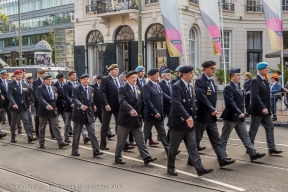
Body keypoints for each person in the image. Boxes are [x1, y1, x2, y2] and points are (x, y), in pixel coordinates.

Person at [167, 65, 213, 177]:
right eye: (191, 73)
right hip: (178, 123)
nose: (193, 75)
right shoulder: (176, 86)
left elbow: (192, 104)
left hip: (190, 123)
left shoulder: (190, 86)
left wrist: (193, 118)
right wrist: (187, 117)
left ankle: (199, 168)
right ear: (185, 74)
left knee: (193, 146)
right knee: (174, 147)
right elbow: (177, 103)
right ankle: (170, 167)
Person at [194, 61, 235, 167]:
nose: (214, 70)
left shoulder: (211, 81)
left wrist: (212, 110)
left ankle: (222, 159)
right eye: (212, 68)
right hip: (202, 115)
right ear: (205, 69)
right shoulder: (200, 81)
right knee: (197, 138)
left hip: (211, 116)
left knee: (216, 139)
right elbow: (201, 97)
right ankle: (192, 159)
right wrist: (211, 108)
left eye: (214, 68)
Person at [220, 68, 266, 161]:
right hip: (231, 117)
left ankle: (253, 153)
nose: (239, 77)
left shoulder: (238, 86)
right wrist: (238, 112)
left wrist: (243, 112)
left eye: (239, 75)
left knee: (245, 136)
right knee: (224, 137)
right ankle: (221, 155)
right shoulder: (229, 87)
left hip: (240, 117)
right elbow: (230, 102)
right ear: (232, 76)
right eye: (237, 75)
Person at [115, 71, 157, 165]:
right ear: (127, 79)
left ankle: (146, 157)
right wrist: (130, 110)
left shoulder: (137, 88)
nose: (134, 79)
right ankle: (118, 157)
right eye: (132, 78)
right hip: (126, 118)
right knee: (121, 141)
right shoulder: (122, 88)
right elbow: (122, 101)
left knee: (140, 140)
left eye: (135, 78)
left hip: (136, 118)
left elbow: (140, 102)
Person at [249, 62, 282, 155]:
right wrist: (262, 107)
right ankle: (249, 148)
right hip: (258, 110)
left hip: (266, 110)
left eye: (267, 68)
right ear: (260, 70)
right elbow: (255, 96)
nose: (267, 70)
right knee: (253, 130)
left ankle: (272, 148)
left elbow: (267, 93)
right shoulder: (255, 80)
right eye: (266, 68)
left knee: (270, 127)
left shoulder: (264, 80)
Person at [100, 64, 134, 151]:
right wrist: (106, 104)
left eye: (118, 70)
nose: (117, 71)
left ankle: (123, 144)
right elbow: (102, 92)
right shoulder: (105, 79)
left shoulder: (120, 80)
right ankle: (103, 144)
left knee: (120, 125)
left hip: (119, 106)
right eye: (115, 69)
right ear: (110, 70)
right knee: (105, 125)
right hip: (108, 105)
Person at [71, 73, 103, 157]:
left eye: (88, 79)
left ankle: (96, 150)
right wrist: (81, 106)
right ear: (81, 80)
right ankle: (74, 150)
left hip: (89, 113)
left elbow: (91, 100)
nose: (86, 81)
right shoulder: (76, 88)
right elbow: (74, 99)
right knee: (76, 133)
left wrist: (94, 106)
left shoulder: (91, 89)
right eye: (84, 79)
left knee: (92, 132)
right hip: (79, 113)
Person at [36, 74, 69, 149]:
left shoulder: (54, 88)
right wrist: (47, 105)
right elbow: (40, 98)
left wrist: (55, 108)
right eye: (48, 79)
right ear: (44, 80)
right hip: (44, 111)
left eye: (50, 79)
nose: (50, 81)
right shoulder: (40, 88)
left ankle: (60, 142)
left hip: (53, 111)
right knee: (42, 127)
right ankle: (41, 142)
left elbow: (55, 99)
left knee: (55, 126)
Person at [142, 68, 170, 155]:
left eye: (158, 74)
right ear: (150, 76)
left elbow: (162, 97)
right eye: (156, 74)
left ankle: (169, 151)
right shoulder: (147, 86)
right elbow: (147, 100)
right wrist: (154, 112)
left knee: (162, 134)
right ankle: (143, 151)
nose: (158, 76)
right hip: (150, 115)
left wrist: (171, 100)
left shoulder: (158, 85)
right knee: (145, 134)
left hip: (159, 114)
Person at [7, 70, 36, 143]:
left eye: (21, 74)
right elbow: (9, 95)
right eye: (19, 74)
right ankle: (13, 136)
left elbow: (26, 95)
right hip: (15, 106)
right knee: (13, 122)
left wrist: (28, 104)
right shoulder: (11, 84)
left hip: (23, 106)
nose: (20, 75)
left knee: (26, 121)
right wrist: (13, 103)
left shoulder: (24, 84)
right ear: (15, 75)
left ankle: (30, 136)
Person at [63, 70, 89, 144]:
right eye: (73, 75)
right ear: (69, 76)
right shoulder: (66, 85)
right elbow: (66, 95)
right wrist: (72, 102)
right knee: (68, 122)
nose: (75, 76)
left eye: (75, 75)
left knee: (81, 121)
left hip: (78, 107)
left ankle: (85, 136)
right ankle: (66, 137)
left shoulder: (78, 84)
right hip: (69, 106)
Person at [135, 66, 158, 146]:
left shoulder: (145, 81)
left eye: (143, 71)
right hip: (138, 105)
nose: (143, 73)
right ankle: (132, 140)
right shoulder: (135, 80)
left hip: (145, 106)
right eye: (141, 71)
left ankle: (150, 139)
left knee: (148, 123)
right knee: (135, 123)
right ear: (137, 73)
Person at [33, 69, 47, 138]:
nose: (46, 74)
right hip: (39, 103)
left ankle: (53, 134)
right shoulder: (36, 82)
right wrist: (40, 100)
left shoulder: (48, 81)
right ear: (41, 74)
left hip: (48, 102)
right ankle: (38, 133)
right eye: (45, 73)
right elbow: (35, 92)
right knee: (38, 118)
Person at [158, 68, 172, 140]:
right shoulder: (160, 84)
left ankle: (169, 136)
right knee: (161, 121)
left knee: (171, 120)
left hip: (170, 105)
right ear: (163, 76)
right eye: (167, 74)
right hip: (163, 105)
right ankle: (160, 135)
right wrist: (170, 99)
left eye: (170, 74)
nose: (169, 75)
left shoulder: (171, 83)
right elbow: (162, 93)